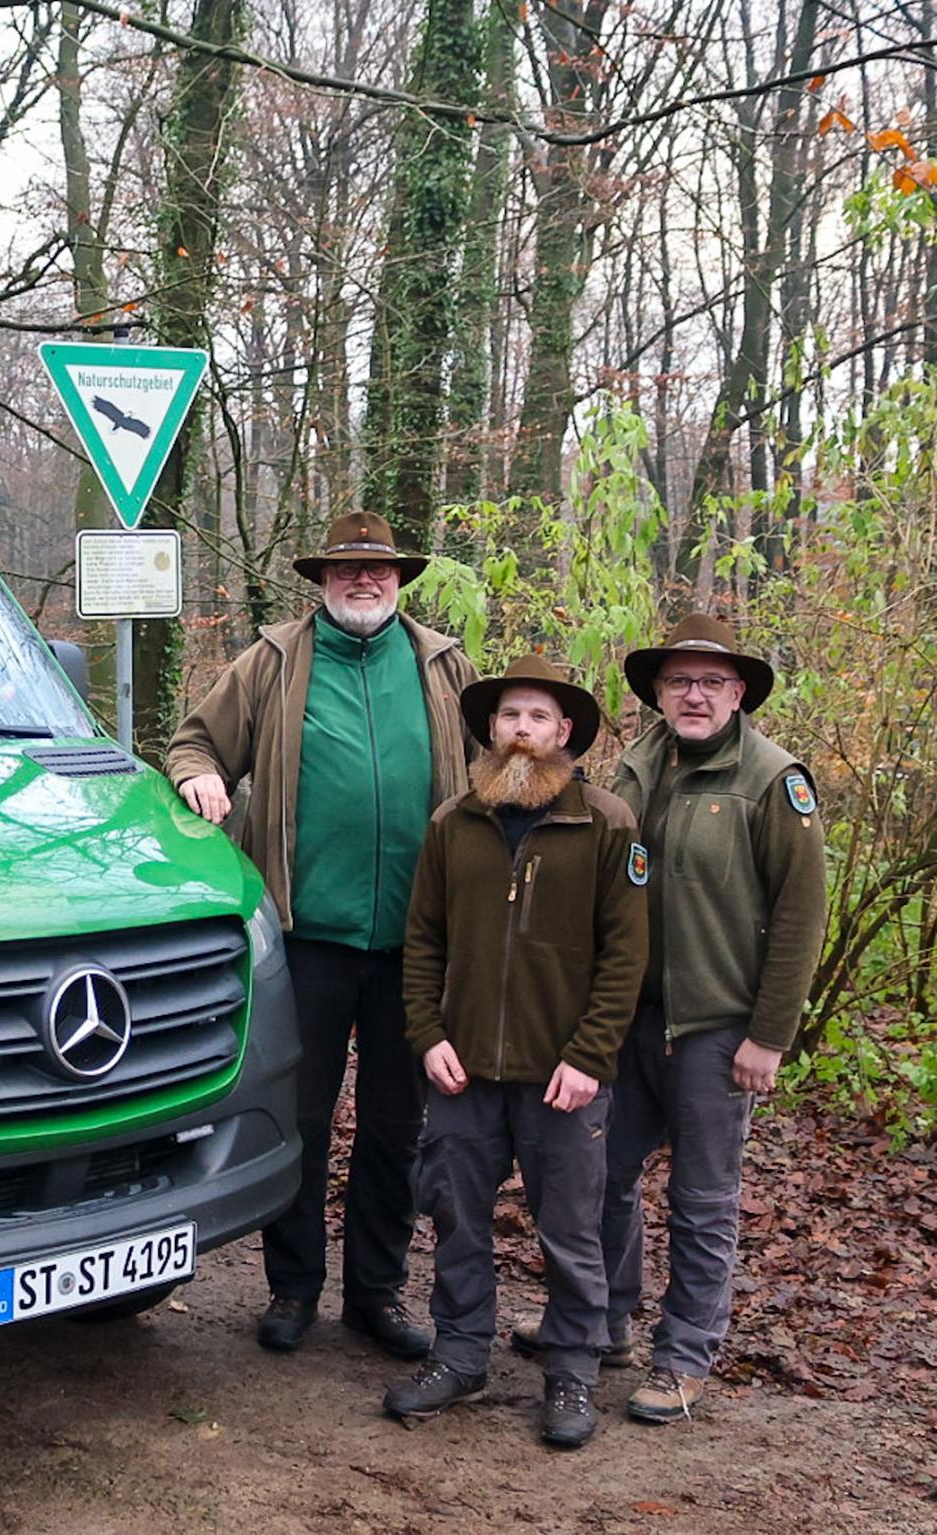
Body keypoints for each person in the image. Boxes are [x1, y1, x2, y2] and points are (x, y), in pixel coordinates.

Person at [165, 513, 477, 1358]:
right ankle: (293, 1289)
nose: (363, 582)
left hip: (418, 946)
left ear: (400, 578)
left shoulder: (443, 665)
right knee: (296, 1118)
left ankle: (376, 1296)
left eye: (378, 570)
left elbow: (500, 766)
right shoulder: (272, 660)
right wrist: (199, 779)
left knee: (393, 1126)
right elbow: (196, 742)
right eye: (347, 571)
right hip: (305, 937)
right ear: (323, 579)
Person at [513, 615, 827, 1424]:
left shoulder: (771, 779)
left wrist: (770, 1033)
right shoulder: (638, 763)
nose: (694, 694)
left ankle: (685, 1355)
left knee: (703, 1197)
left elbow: (800, 914)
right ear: (656, 691)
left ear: (738, 694)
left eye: (711, 682)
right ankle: (605, 1322)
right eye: (680, 681)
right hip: (631, 1019)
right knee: (602, 1179)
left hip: (718, 1026)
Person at [383, 655, 646, 1448]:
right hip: (464, 1073)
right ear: (489, 730)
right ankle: (460, 1355)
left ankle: (571, 1368)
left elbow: (626, 955)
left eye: (538, 718)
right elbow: (422, 940)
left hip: (563, 1074)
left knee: (571, 1228)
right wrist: (426, 1035)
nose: (522, 731)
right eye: (509, 717)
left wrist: (591, 1055)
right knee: (456, 1217)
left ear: (564, 733)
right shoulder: (452, 823)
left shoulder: (605, 823)